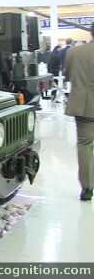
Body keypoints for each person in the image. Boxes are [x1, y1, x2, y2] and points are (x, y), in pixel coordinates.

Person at [65, 25, 94, 201]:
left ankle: (87, 188)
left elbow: (67, 75)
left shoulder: (75, 52)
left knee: (85, 145)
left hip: (83, 105)